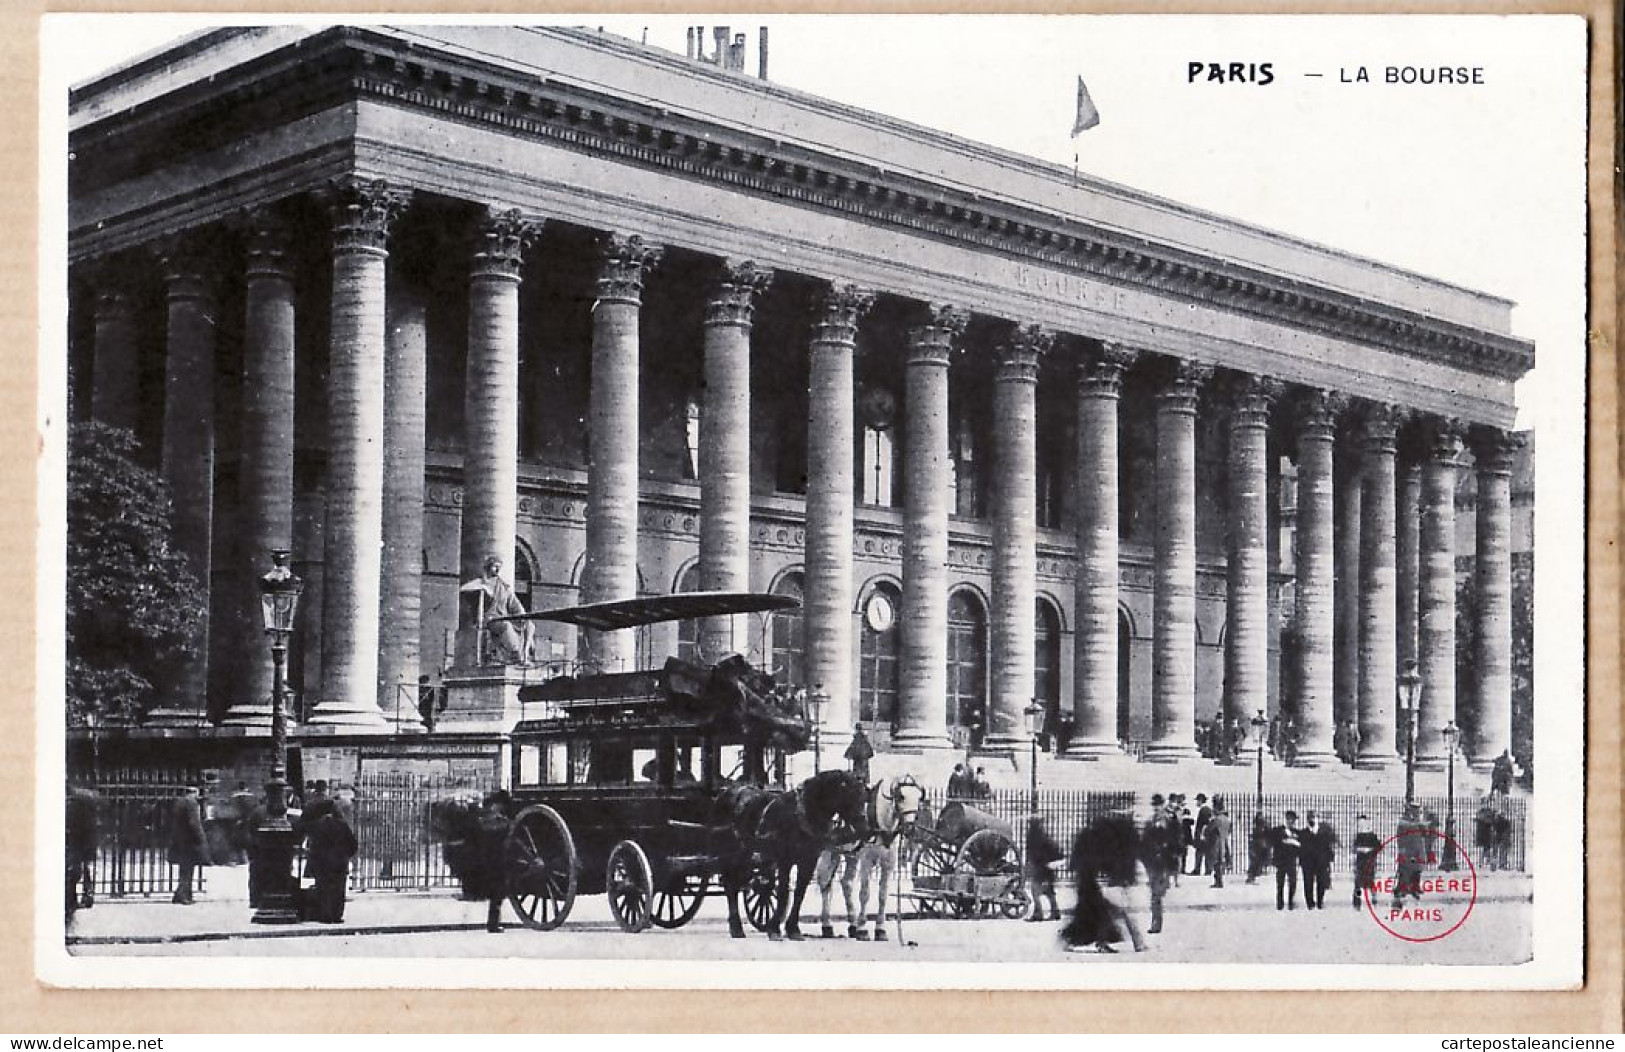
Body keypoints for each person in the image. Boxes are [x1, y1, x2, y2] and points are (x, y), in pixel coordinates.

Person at [1062, 810, 1145, 953]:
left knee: (1096, 915)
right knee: (1102, 915)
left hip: (1091, 883)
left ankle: (1097, 942)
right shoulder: (1104, 840)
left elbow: (1077, 862)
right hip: (1093, 884)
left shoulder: (1090, 838)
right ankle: (1129, 943)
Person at [461, 555, 533, 665]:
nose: (497, 570)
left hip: (503, 616)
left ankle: (525, 655)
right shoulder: (481, 582)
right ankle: (515, 653)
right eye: (495, 566)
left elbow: (515, 605)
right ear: (488, 567)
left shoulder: (503, 586)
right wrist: (483, 588)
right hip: (490, 619)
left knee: (529, 625)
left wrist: (523, 616)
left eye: (499, 567)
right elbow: (463, 588)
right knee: (505, 625)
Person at [302, 793, 358, 923]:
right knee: (339, 888)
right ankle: (337, 915)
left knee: (324, 887)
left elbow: (313, 845)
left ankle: (325, 914)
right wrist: (345, 855)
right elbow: (352, 843)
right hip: (339, 861)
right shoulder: (341, 824)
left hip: (322, 862)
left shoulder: (316, 825)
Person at [1139, 794, 1179, 935]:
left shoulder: (1170, 821)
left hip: (1163, 862)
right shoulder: (1150, 822)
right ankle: (1156, 921)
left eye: (1158, 805)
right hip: (1152, 862)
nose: (1156, 808)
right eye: (1154, 805)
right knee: (1154, 894)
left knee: (1156, 894)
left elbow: (1176, 842)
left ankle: (1156, 922)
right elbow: (1143, 841)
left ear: (1163, 805)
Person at [476, 790, 513, 933]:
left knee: (497, 894)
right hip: (495, 861)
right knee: (497, 893)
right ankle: (493, 924)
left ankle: (493, 923)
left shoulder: (488, 819)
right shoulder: (494, 821)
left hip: (494, 859)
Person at [168, 784, 208, 905]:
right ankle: (184, 895)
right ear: (195, 792)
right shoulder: (191, 803)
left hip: (179, 839)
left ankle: (180, 893)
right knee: (188, 868)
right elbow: (194, 822)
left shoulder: (180, 801)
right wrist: (202, 838)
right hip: (189, 840)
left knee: (184, 868)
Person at [1024, 816, 1063, 923]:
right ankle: (1055, 912)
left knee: (1035, 891)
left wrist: (1032, 864)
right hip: (1047, 869)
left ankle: (1038, 914)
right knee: (1049, 891)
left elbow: (1034, 854)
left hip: (1041, 868)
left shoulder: (1035, 837)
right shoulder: (1044, 837)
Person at [1299, 810, 1335, 909]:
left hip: (1321, 862)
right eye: (1309, 818)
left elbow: (1328, 846)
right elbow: (1300, 848)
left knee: (1321, 882)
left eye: (1313, 817)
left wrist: (1329, 859)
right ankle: (1310, 903)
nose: (1311, 820)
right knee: (1308, 883)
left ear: (1317, 819)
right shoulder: (1303, 833)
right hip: (1308, 862)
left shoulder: (1324, 833)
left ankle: (1320, 902)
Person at [1269, 810, 1303, 910]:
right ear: (1287, 819)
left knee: (1292, 882)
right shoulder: (1278, 830)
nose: (1292, 822)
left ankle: (1291, 902)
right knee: (1280, 882)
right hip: (1281, 860)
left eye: (1293, 820)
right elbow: (1275, 842)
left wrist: (1295, 845)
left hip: (1292, 860)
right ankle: (1280, 903)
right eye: (1291, 819)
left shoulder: (1296, 832)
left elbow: (1300, 846)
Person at [1351, 814, 1381, 909]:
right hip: (1360, 861)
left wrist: (1370, 850)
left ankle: (1374, 899)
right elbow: (1354, 848)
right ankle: (1357, 902)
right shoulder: (1358, 835)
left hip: (1369, 861)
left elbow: (1378, 847)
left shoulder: (1372, 835)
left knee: (1370, 881)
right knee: (1358, 883)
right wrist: (1359, 850)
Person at [1202, 797, 1232, 888]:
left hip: (1216, 842)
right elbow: (1230, 830)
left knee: (1216, 862)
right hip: (1224, 841)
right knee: (1221, 861)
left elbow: (1208, 831)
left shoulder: (1216, 820)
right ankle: (1219, 880)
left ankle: (1218, 881)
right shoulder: (1227, 819)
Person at [1246, 812, 1270, 884]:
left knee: (1256, 862)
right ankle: (1251, 877)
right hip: (1260, 846)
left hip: (1259, 846)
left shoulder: (1257, 828)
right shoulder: (1261, 828)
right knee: (1256, 862)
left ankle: (1252, 876)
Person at [1192, 794, 1213, 875]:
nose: (1197, 802)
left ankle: (1199, 869)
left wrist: (1202, 834)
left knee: (1200, 852)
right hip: (1203, 835)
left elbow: (1205, 823)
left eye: (1197, 800)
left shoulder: (1204, 810)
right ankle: (1205, 869)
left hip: (1202, 835)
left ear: (1200, 801)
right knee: (1202, 852)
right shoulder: (1205, 809)